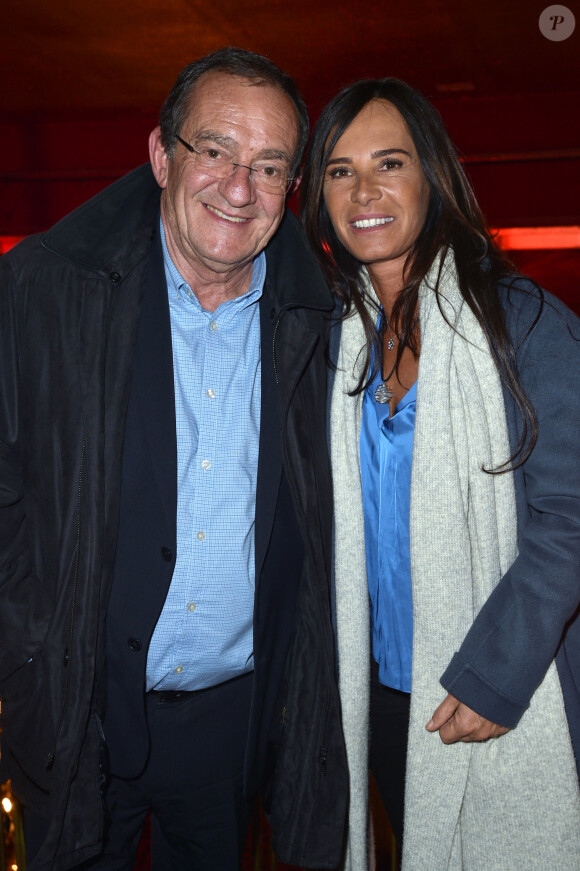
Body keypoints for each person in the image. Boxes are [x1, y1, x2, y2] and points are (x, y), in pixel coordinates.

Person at [0, 48, 348, 871]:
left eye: (269, 166)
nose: (238, 187)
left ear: (291, 187)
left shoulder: (323, 322)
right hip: (75, 713)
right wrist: (28, 642)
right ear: (162, 155)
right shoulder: (43, 292)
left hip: (236, 724)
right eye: (215, 150)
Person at [301, 77, 580, 870]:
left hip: (501, 685)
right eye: (339, 170)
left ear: (433, 176)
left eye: (390, 163)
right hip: (386, 696)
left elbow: (571, 514)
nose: (365, 191)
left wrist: (497, 677)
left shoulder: (520, 322)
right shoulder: (336, 342)